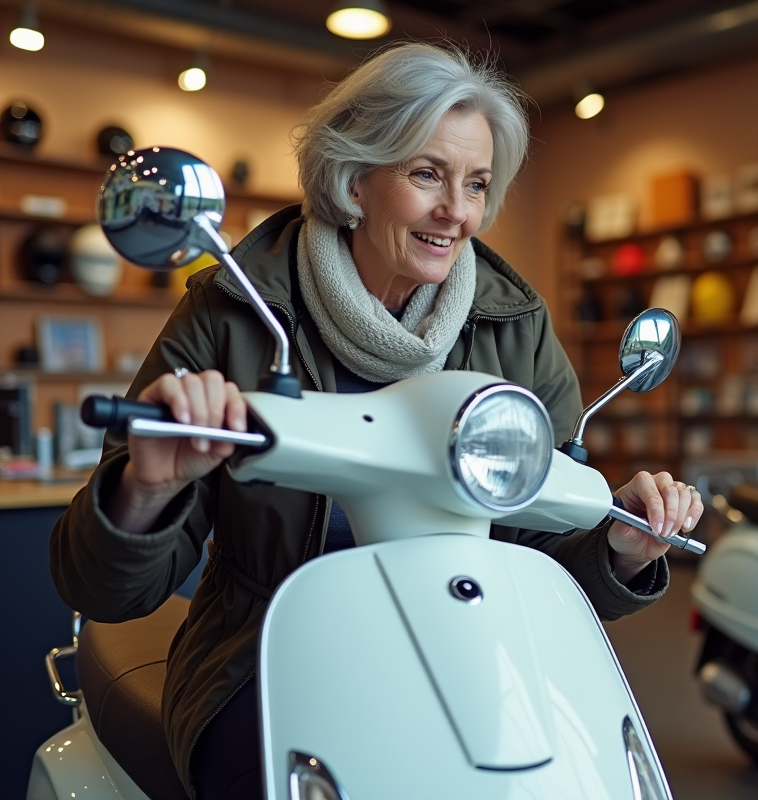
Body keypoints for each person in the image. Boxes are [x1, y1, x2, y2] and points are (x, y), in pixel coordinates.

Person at [50, 43, 703, 800]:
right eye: (427, 174)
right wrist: (147, 488)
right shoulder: (232, 313)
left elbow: (538, 545)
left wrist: (619, 548)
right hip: (265, 655)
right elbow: (104, 588)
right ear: (355, 178)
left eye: (477, 184)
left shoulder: (513, 325)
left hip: (475, 654)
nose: (456, 212)